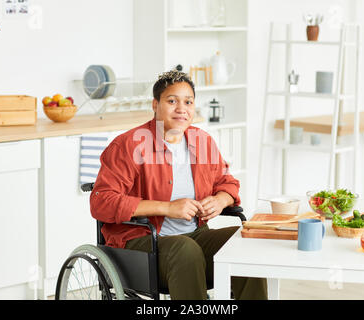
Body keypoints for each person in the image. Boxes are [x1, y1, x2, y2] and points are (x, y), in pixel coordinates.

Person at [90, 70, 267, 300]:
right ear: (155, 104)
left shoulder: (202, 141)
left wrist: (220, 199)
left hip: (194, 237)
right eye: (172, 101)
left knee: (243, 241)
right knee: (186, 249)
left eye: (188, 102)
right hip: (140, 244)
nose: (181, 108)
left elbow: (228, 183)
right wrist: (167, 207)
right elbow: (101, 202)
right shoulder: (129, 145)